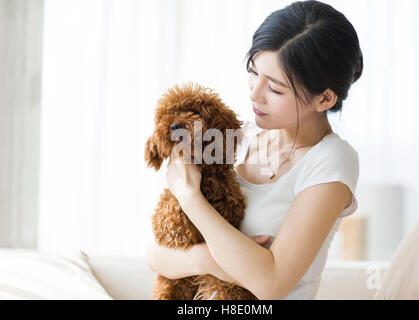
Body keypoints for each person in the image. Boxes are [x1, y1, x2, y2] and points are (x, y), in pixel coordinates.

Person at [146, 0, 363, 300]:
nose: (254, 93)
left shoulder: (330, 160)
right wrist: (210, 259)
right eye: (253, 71)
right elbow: (155, 254)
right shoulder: (236, 137)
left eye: (275, 88)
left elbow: (270, 284)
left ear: (325, 99)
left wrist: (190, 197)